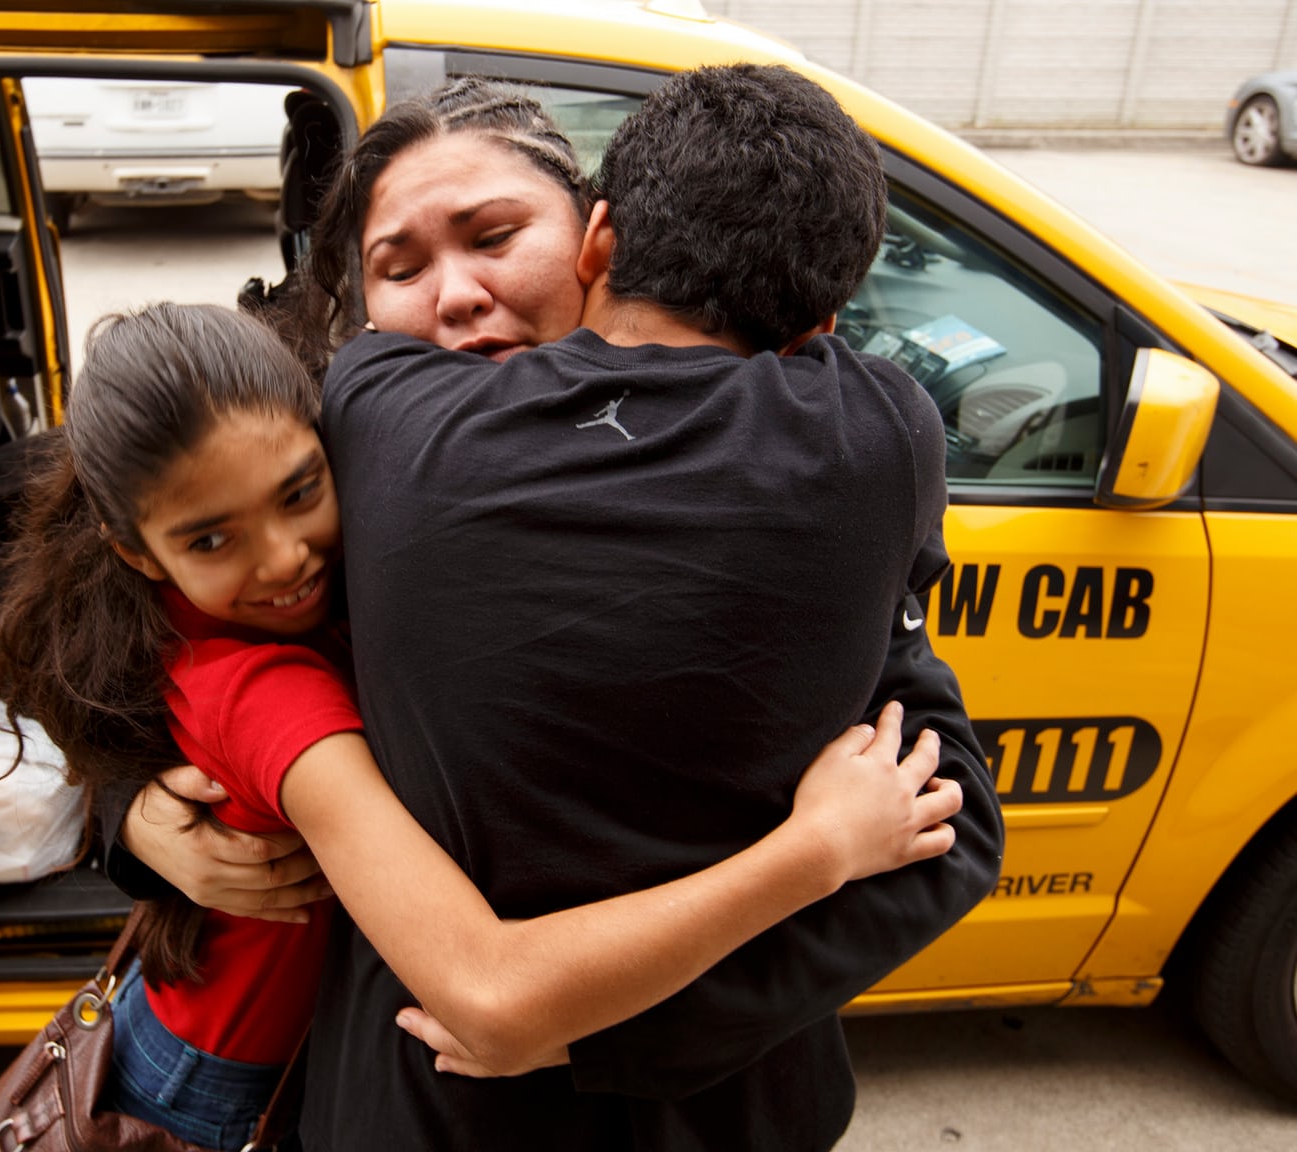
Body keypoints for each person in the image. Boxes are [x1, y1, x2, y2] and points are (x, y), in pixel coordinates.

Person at [114, 68, 1006, 1150]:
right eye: (399, 265)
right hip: (416, 1081)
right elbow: (111, 625)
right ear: (359, 314)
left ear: (596, 240)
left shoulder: (797, 495)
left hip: (689, 1100)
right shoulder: (319, 464)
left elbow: (938, 814)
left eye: (494, 237)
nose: (453, 295)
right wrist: (128, 812)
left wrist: (596, 1025)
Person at [0, 301, 963, 1151]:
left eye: (300, 492)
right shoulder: (266, 683)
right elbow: (492, 997)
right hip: (223, 1071)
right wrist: (820, 846)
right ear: (138, 553)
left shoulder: (397, 495)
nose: (285, 558)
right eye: (211, 539)